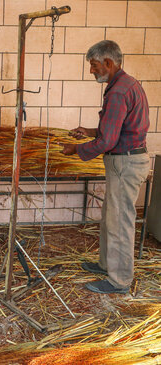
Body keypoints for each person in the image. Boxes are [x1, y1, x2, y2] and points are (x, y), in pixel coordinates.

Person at [62, 40, 149, 295]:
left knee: (120, 221)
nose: (91, 71)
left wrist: (77, 149)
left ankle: (119, 281)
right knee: (111, 217)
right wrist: (88, 132)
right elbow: (116, 130)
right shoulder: (127, 84)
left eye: (94, 65)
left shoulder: (118, 91)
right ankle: (106, 265)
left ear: (108, 63)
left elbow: (109, 140)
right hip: (125, 160)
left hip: (125, 163)